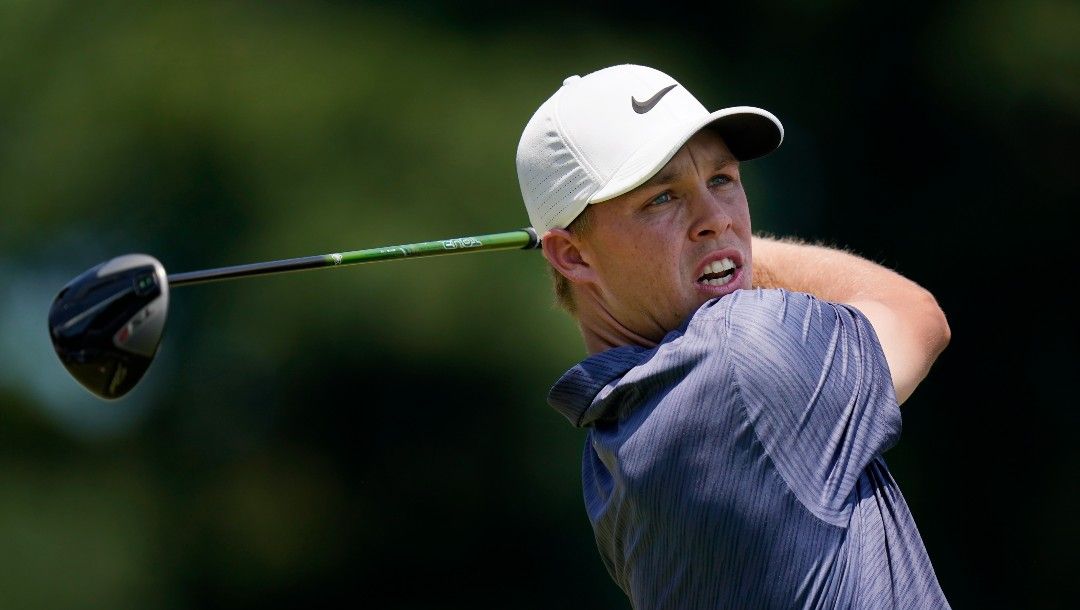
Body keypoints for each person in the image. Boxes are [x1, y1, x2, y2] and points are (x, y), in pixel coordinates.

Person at [515, 64, 952, 609]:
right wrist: (728, 251)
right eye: (661, 199)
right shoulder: (741, 354)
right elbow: (913, 313)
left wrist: (706, 249)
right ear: (573, 255)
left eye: (721, 179)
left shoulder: (608, 448)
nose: (716, 217)